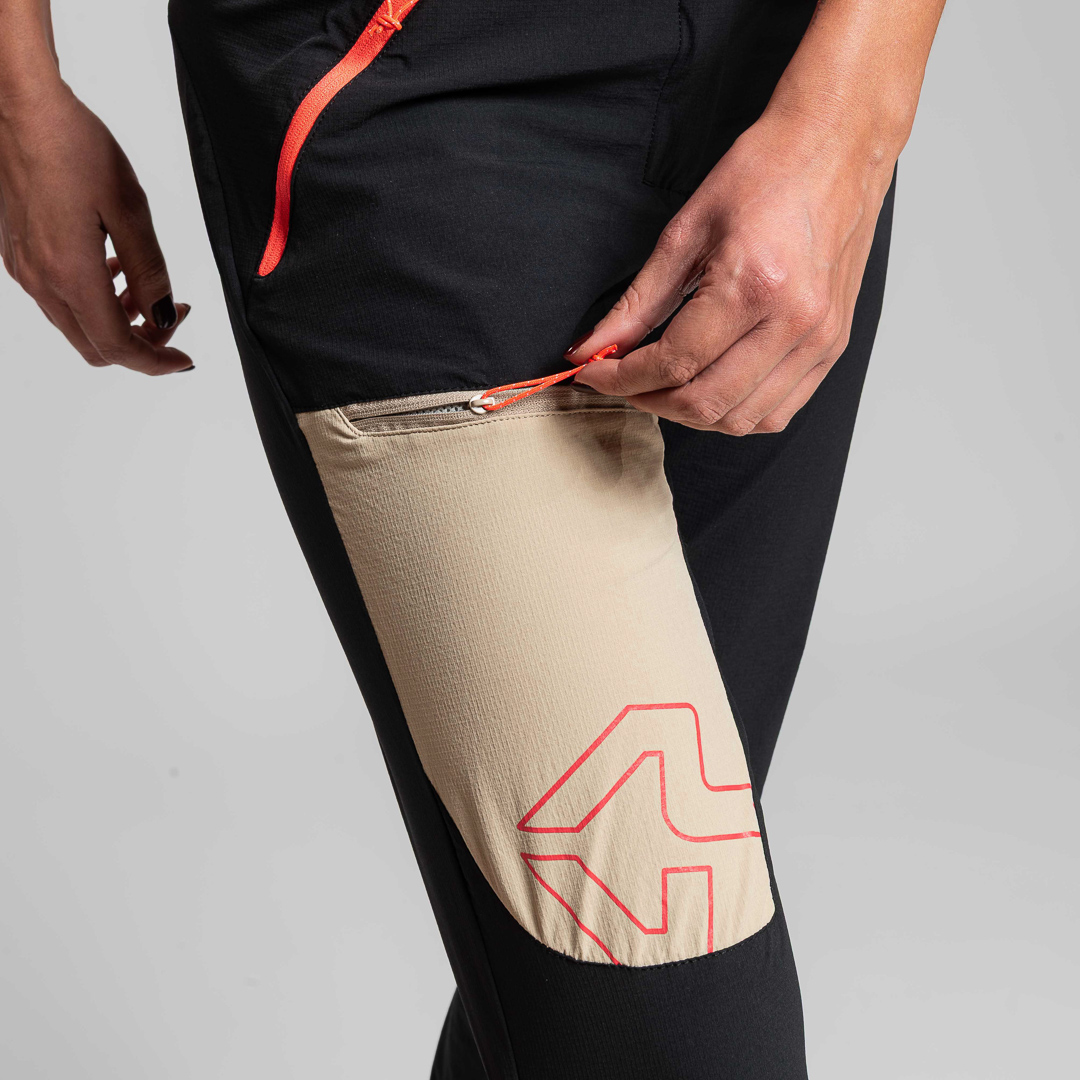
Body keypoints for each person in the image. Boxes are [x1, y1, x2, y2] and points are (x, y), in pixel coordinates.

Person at [0, 1, 945, 1076]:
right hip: (414, 95)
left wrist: (847, 121)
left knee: (590, 983)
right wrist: (18, 96)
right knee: (653, 993)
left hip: (779, 96)